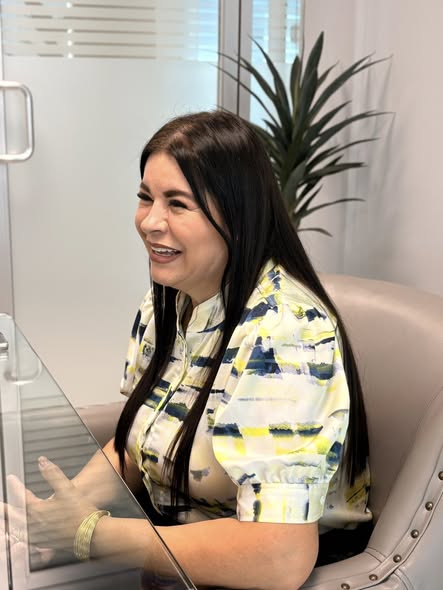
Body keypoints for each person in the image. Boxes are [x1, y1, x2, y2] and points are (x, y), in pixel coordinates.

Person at [3, 110, 372, 590]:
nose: (150, 222)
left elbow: (280, 555)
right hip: (173, 547)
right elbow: (139, 445)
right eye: (145, 198)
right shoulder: (170, 303)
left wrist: (92, 533)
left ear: (236, 216)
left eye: (177, 204)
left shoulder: (283, 333)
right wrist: (59, 514)